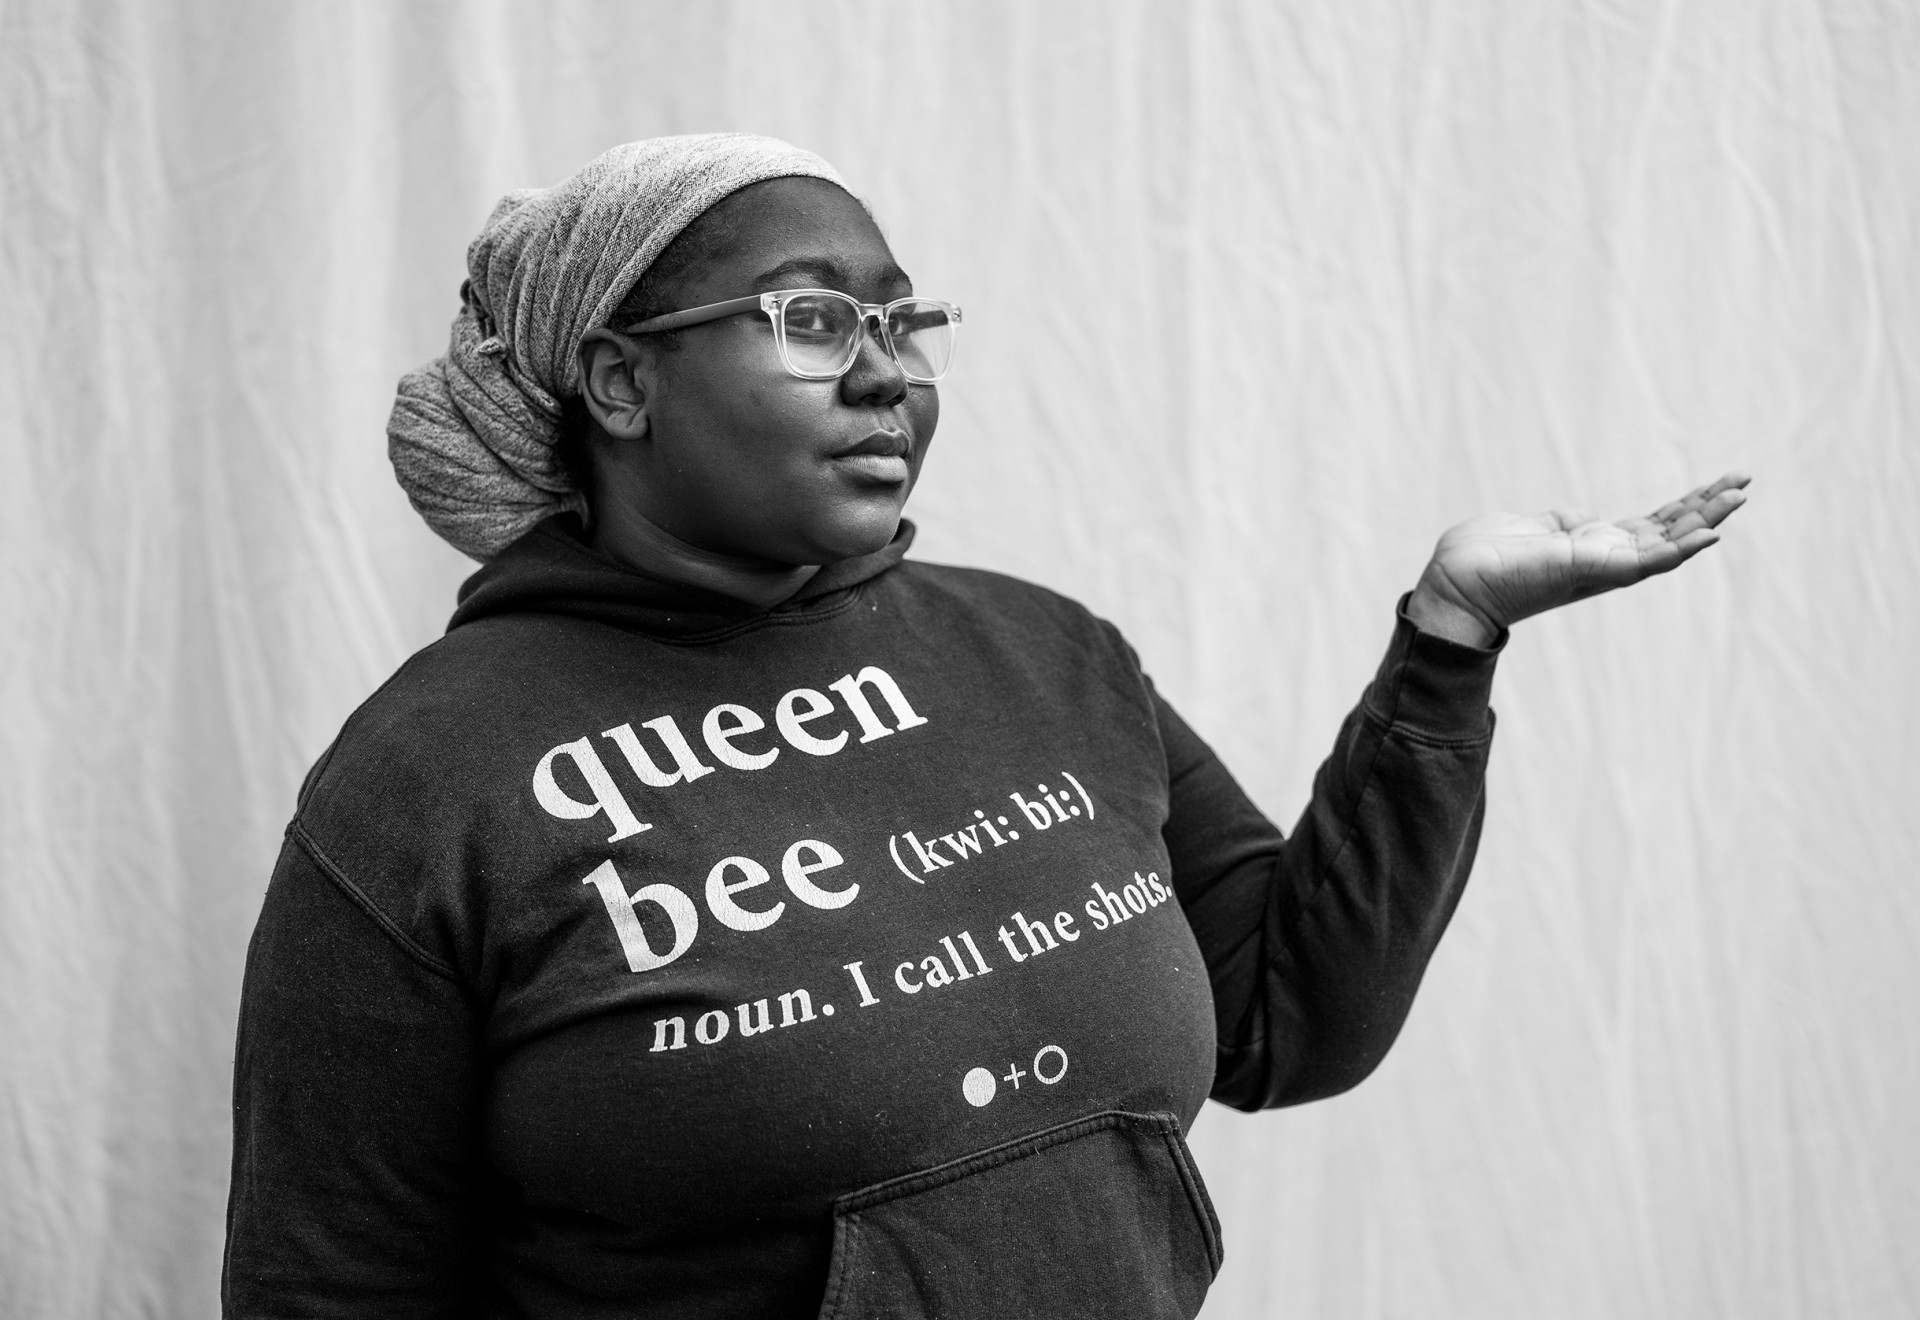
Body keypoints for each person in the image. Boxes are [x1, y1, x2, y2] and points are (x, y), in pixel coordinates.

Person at [222, 134, 1747, 1319]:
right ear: (621, 381)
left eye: (903, 319)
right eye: (815, 318)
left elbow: (1292, 1020)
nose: (889, 369)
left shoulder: (1035, 652)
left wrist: (1448, 641)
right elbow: (330, 1290)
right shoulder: (426, 784)